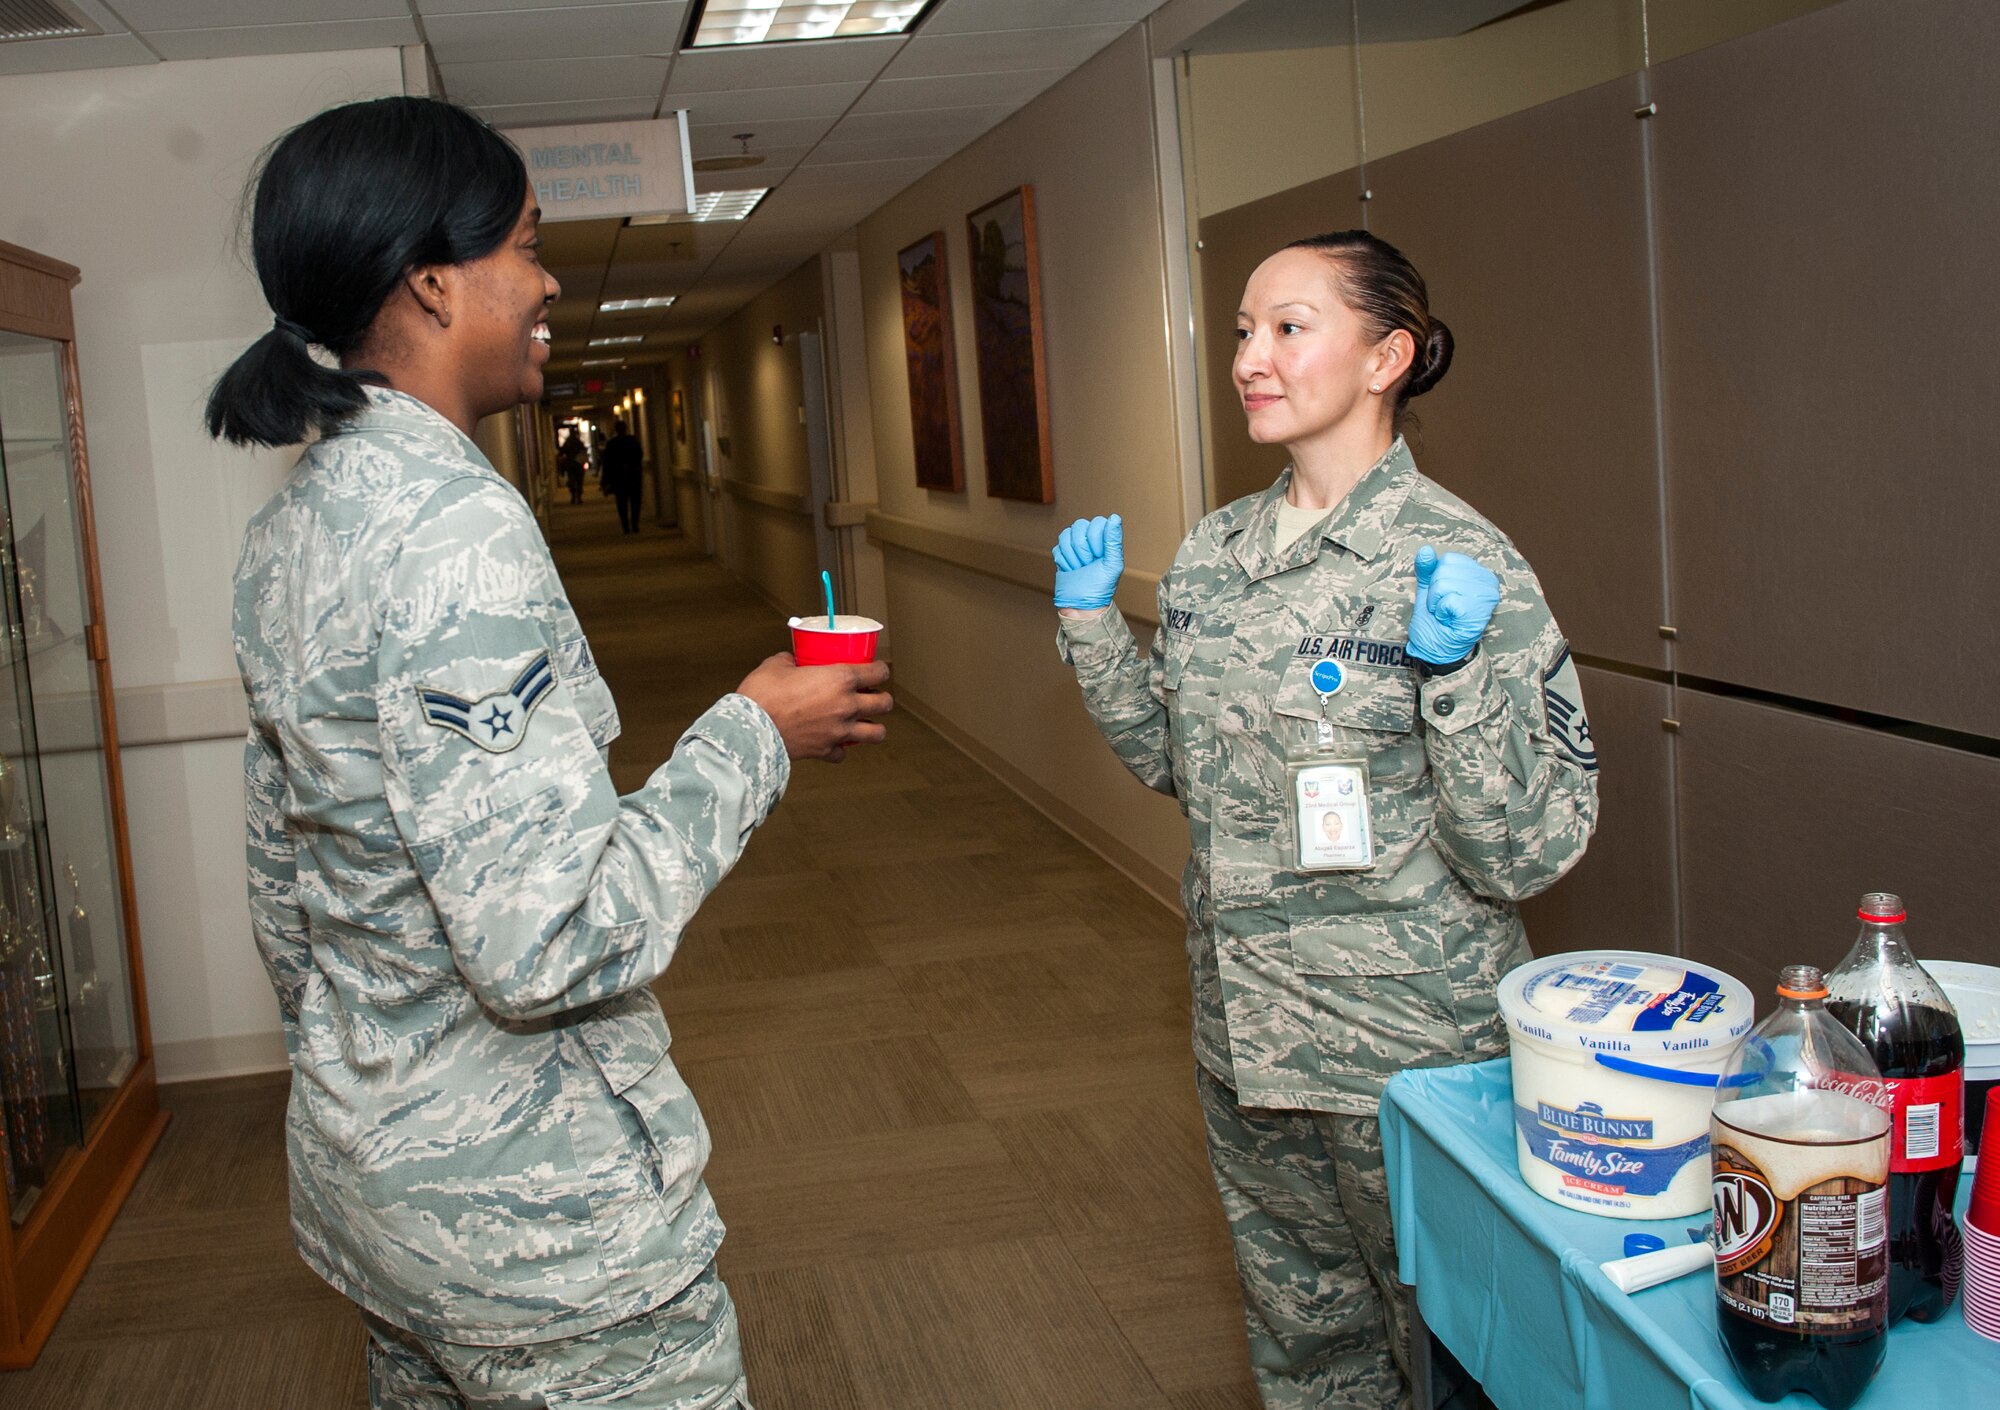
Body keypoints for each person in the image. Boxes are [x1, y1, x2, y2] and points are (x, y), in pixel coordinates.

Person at [208, 95, 893, 1410]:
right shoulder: (455, 529)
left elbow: (284, 890)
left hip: (381, 1194)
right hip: (542, 1234)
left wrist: (375, 1093)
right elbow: (546, 944)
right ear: (430, 279)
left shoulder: (292, 532)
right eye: (524, 244)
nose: (548, 281)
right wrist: (758, 730)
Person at [1050, 230, 1598, 1410]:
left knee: (1457, 1349)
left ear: (1384, 357)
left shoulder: (1455, 560)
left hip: (1404, 1046)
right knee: (1306, 1342)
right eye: (1243, 330)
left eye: (1288, 328)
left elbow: (1527, 849)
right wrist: (1093, 630)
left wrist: (1449, 677)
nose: (1250, 357)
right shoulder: (1213, 555)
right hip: (1246, 1034)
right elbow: (1181, 769)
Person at [604, 417, 645, 533]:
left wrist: (606, 481)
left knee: (622, 504)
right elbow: (639, 455)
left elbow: (608, 463)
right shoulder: (632, 441)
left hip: (619, 478)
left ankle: (626, 526)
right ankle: (634, 525)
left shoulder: (612, 444)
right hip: (633, 477)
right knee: (635, 503)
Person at [559, 429, 586, 503]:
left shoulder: (568, 442)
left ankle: (574, 497)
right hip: (578, 464)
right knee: (579, 480)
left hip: (570, 464)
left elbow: (562, 452)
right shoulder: (578, 442)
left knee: (572, 480)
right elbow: (583, 451)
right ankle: (578, 497)